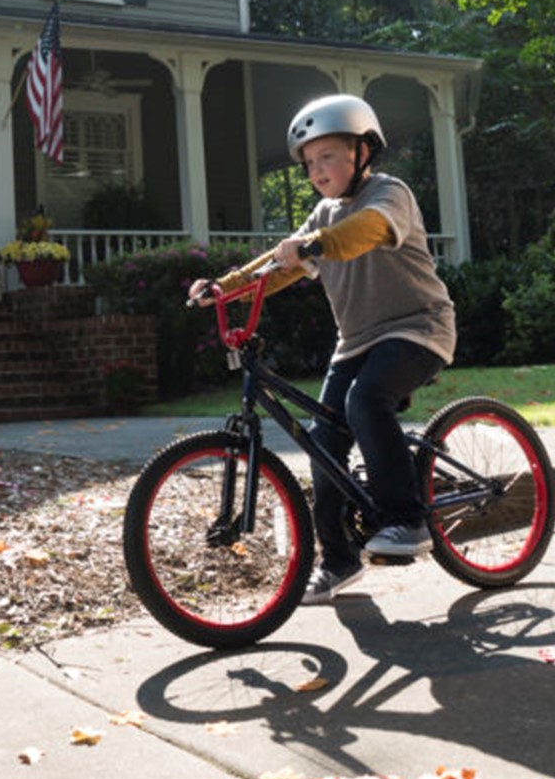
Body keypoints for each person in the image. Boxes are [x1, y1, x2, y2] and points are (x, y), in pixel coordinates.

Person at [190, 94, 458, 604]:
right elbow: (278, 265)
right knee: (322, 441)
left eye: (327, 156)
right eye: (309, 163)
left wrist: (317, 243)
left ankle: (408, 519)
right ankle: (337, 561)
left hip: (419, 329)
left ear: (362, 151)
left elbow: (367, 232)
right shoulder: (323, 214)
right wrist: (226, 287)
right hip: (356, 341)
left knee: (365, 401)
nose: (317, 170)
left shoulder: (388, 194)